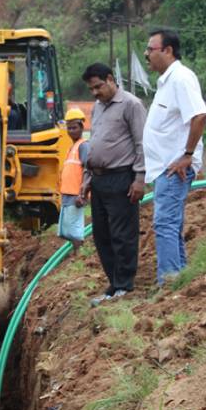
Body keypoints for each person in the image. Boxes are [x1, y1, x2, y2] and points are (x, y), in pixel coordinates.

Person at [143, 28, 206, 286]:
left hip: (174, 168)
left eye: (151, 49)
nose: (147, 54)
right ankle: (179, 281)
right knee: (170, 226)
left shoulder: (181, 78)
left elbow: (200, 116)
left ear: (167, 50)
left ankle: (169, 283)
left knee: (165, 225)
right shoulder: (166, 83)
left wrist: (187, 156)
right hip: (164, 169)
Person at [79, 63, 147, 305]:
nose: (95, 93)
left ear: (110, 79)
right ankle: (114, 283)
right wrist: (87, 179)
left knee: (122, 234)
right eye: (91, 89)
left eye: (98, 87)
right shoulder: (98, 107)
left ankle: (124, 286)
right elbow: (94, 142)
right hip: (99, 179)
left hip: (121, 177)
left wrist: (139, 178)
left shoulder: (131, 105)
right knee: (102, 235)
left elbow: (142, 143)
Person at [58, 108, 89, 255]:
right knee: (66, 230)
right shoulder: (72, 147)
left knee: (75, 230)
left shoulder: (83, 146)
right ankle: (76, 253)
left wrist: (82, 195)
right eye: (69, 128)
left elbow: (88, 170)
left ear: (82, 127)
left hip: (76, 194)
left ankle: (79, 255)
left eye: (74, 127)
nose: (71, 131)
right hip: (67, 193)